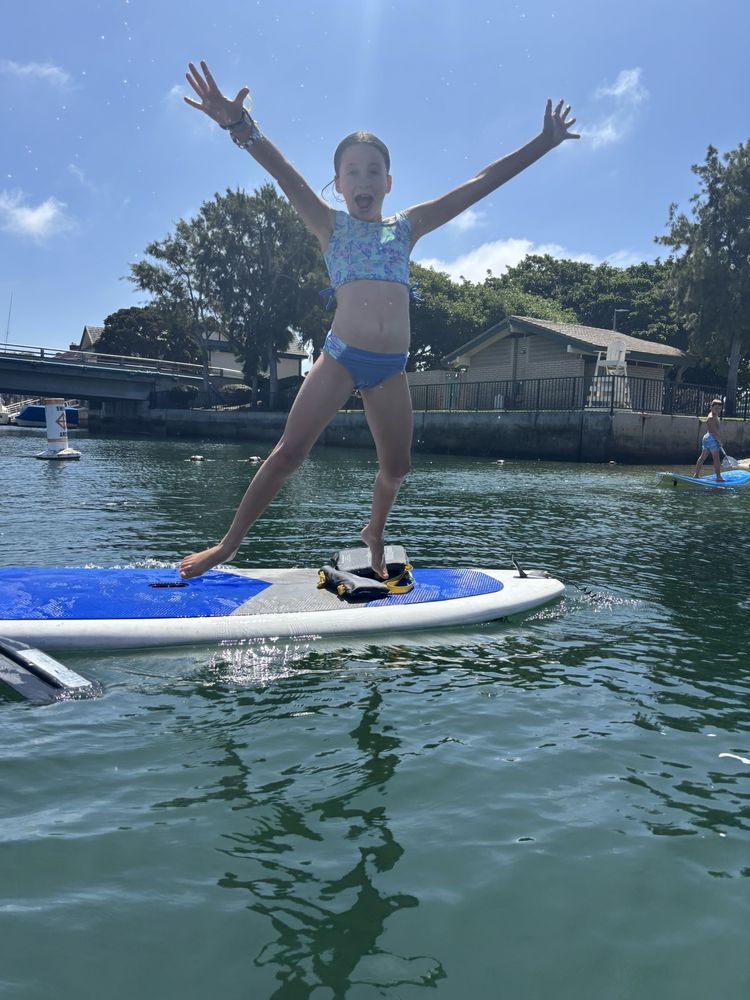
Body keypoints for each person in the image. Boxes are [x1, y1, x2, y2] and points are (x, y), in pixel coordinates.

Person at [178, 60, 579, 579]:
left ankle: (374, 530)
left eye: (372, 171)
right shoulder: (329, 225)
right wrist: (239, 125)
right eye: (351, 171)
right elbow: (283, 173)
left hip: (390, 368)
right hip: (341, 358)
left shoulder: (407, 229)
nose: (362, 179)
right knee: (288, 452)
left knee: (397, 468)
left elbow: (478, 184)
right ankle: (227, 545)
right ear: (338, 184)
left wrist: (541, 144)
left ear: (387, 182)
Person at [693, 398, 725, 481]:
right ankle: (718, 477)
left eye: (720, 408)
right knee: (716, 458)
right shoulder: (711, 417)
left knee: (703, 457)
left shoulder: (714, 415)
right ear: (711, 407)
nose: (718, 410)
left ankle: (696, 475)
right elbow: (714, 432)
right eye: (716, 408)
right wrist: (719, 441)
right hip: (711, 438)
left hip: (707, 437)